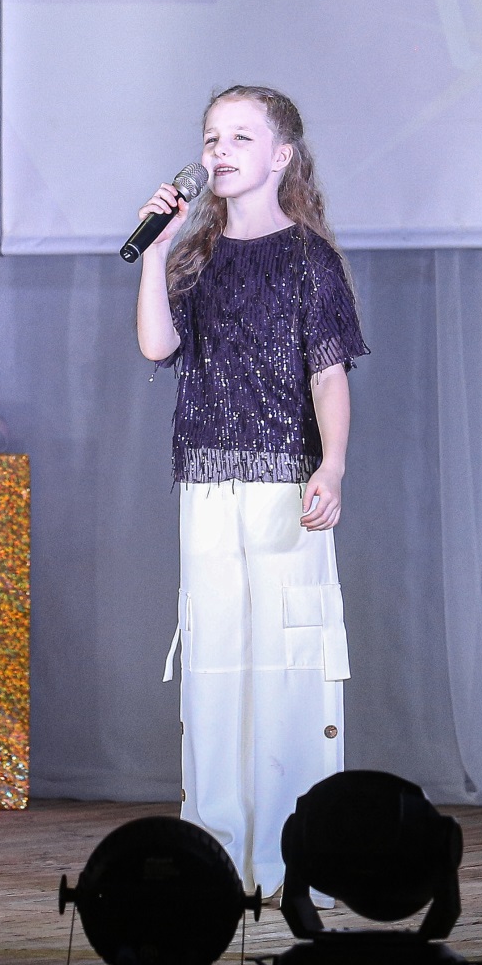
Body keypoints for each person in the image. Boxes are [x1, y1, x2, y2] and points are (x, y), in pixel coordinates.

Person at [135, 85, 364, 901]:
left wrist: (331, 466)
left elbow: (327, 373)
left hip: (283, 483)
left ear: (281, 156)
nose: (219, 151)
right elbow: (156, 345)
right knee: (217, 664)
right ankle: (219, 856)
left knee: (288, 665)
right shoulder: (193, 256)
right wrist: (155, 251)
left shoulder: (307, 257)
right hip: (207, 487)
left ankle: (292, 857)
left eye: (240, 137)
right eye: (210, 138)